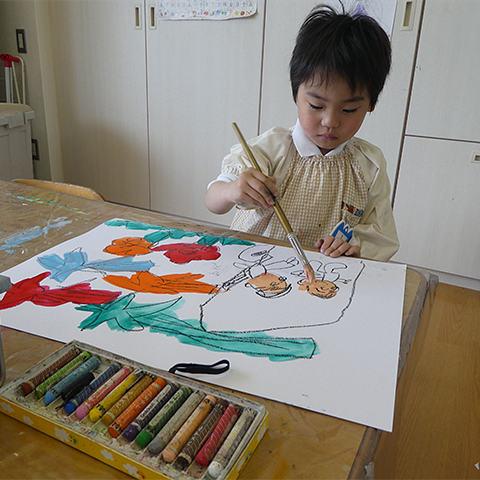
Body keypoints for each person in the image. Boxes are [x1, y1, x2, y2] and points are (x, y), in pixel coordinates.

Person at [205, 3, 399, 262]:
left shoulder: (369, 166)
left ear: (371, 105)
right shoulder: (271, 149)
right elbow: (213, 200)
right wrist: (232, 191)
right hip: (252, 264)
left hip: (323, 276)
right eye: (317, 106)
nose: (330, 121)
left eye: (349, 109)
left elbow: (381, 235)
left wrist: (355, 246)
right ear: (296, 94)